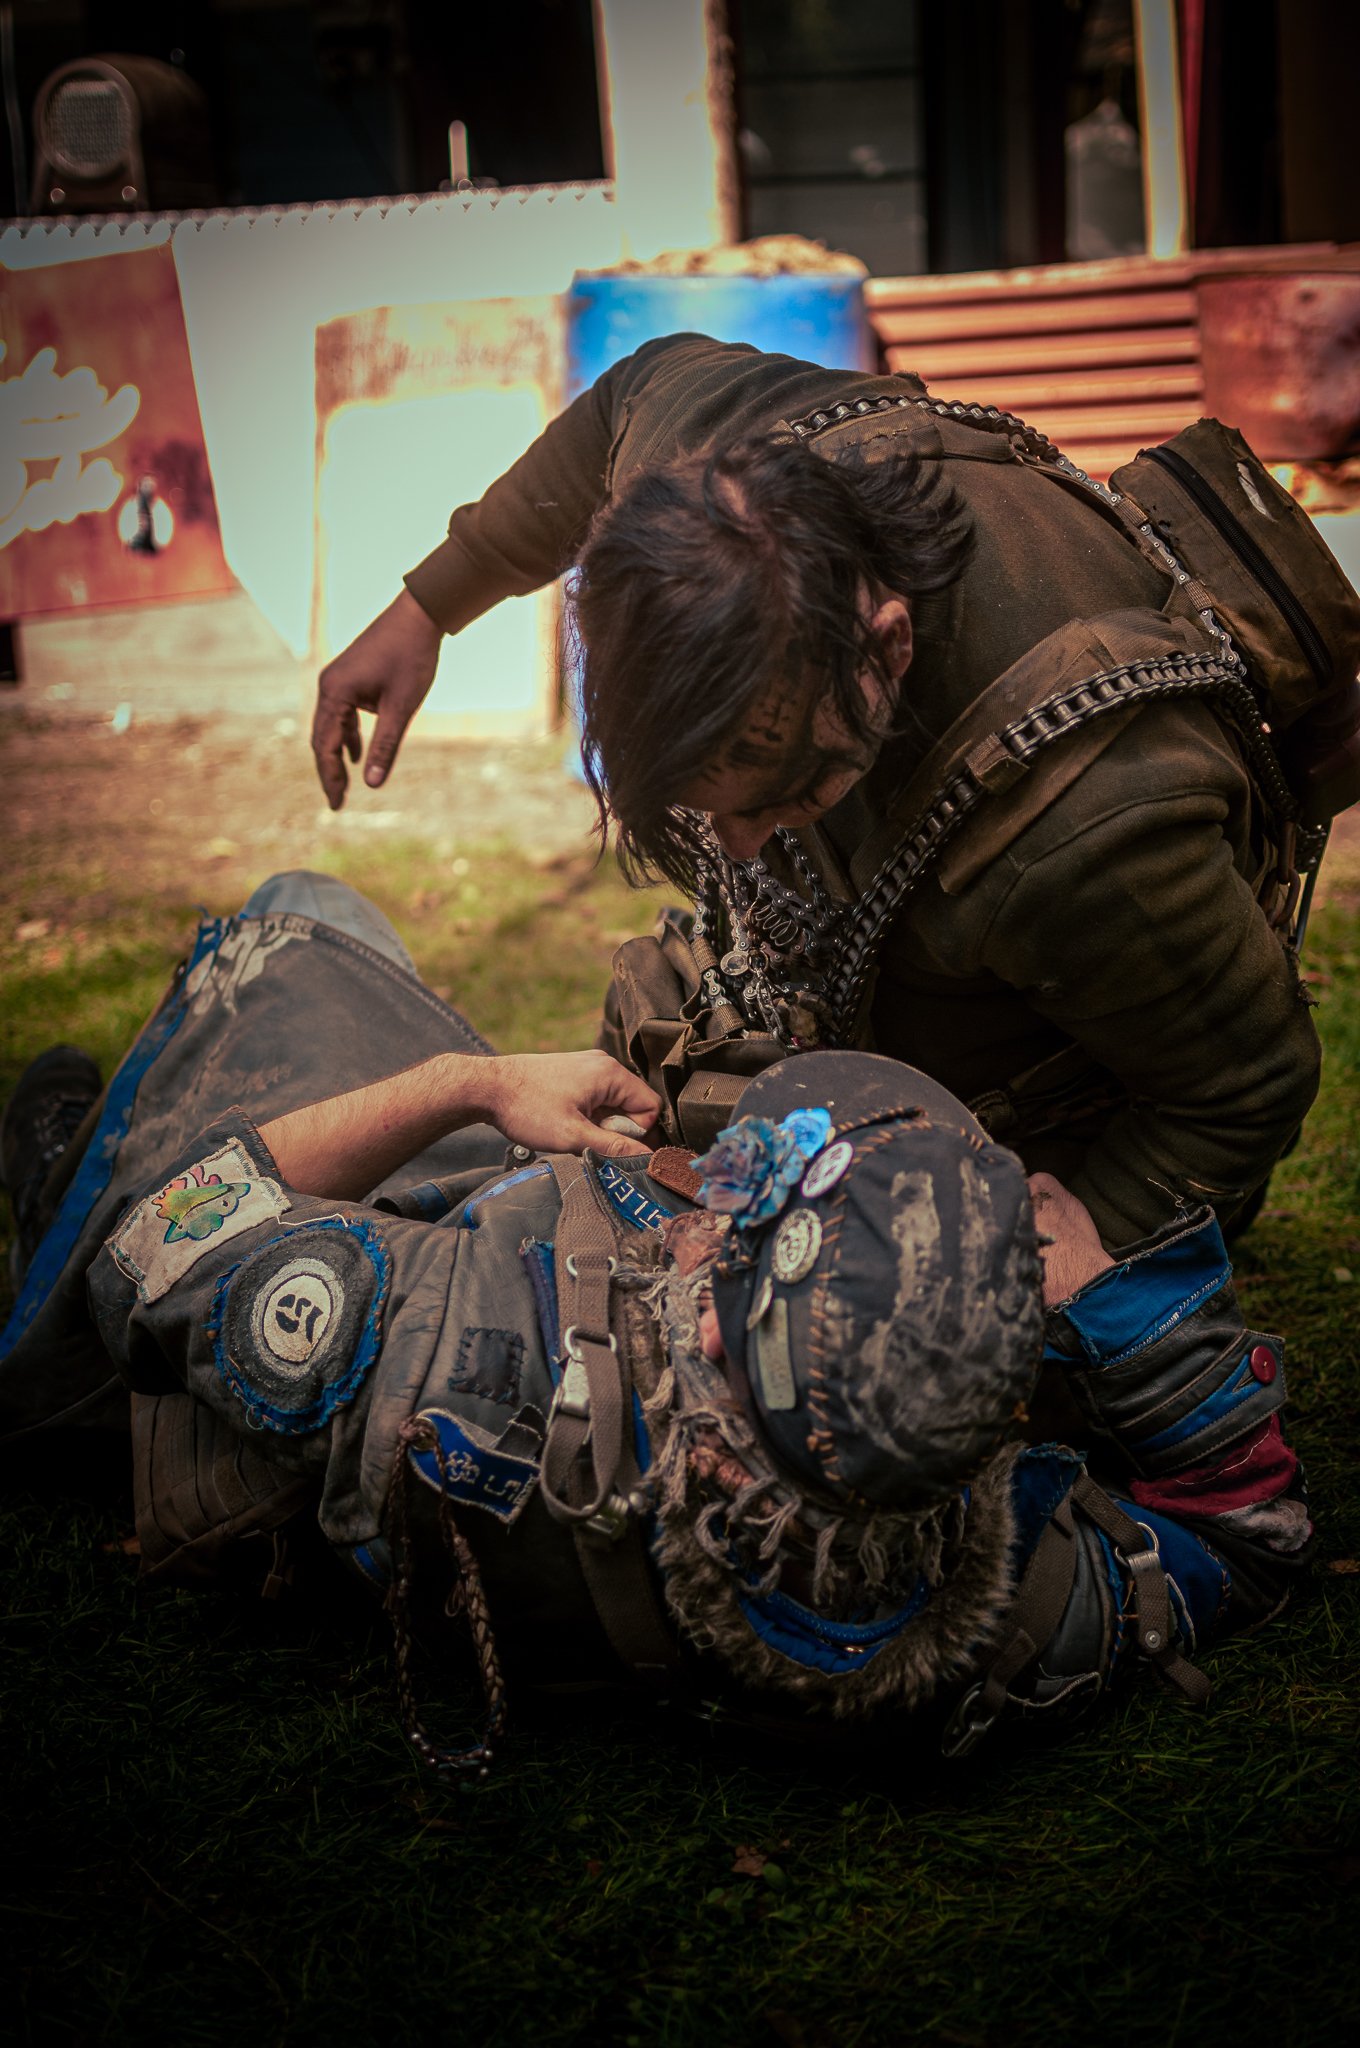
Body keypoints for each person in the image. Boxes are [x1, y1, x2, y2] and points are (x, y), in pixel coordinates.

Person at [0, 873, 1312, 1773]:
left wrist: (470, 1081)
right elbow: (1247, 1538)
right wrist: (1118, 1304)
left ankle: (54, 1178)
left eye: (741, 1206)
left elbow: (159, 1248)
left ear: (721, 1322)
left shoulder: (454, 1343)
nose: (713, 1190)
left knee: (303, 920)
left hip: (379, 1276)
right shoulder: (1003, 1606)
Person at [311, 334, 1329, 1252]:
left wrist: (1066, 1252)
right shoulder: (710, 467)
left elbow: (1244, 1087)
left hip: (1068, 1110)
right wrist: (430, 605)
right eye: (707, 806)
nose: (736, 845)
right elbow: (617, 407)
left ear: (885, 647)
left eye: (777, 798)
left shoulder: (1084, 827)